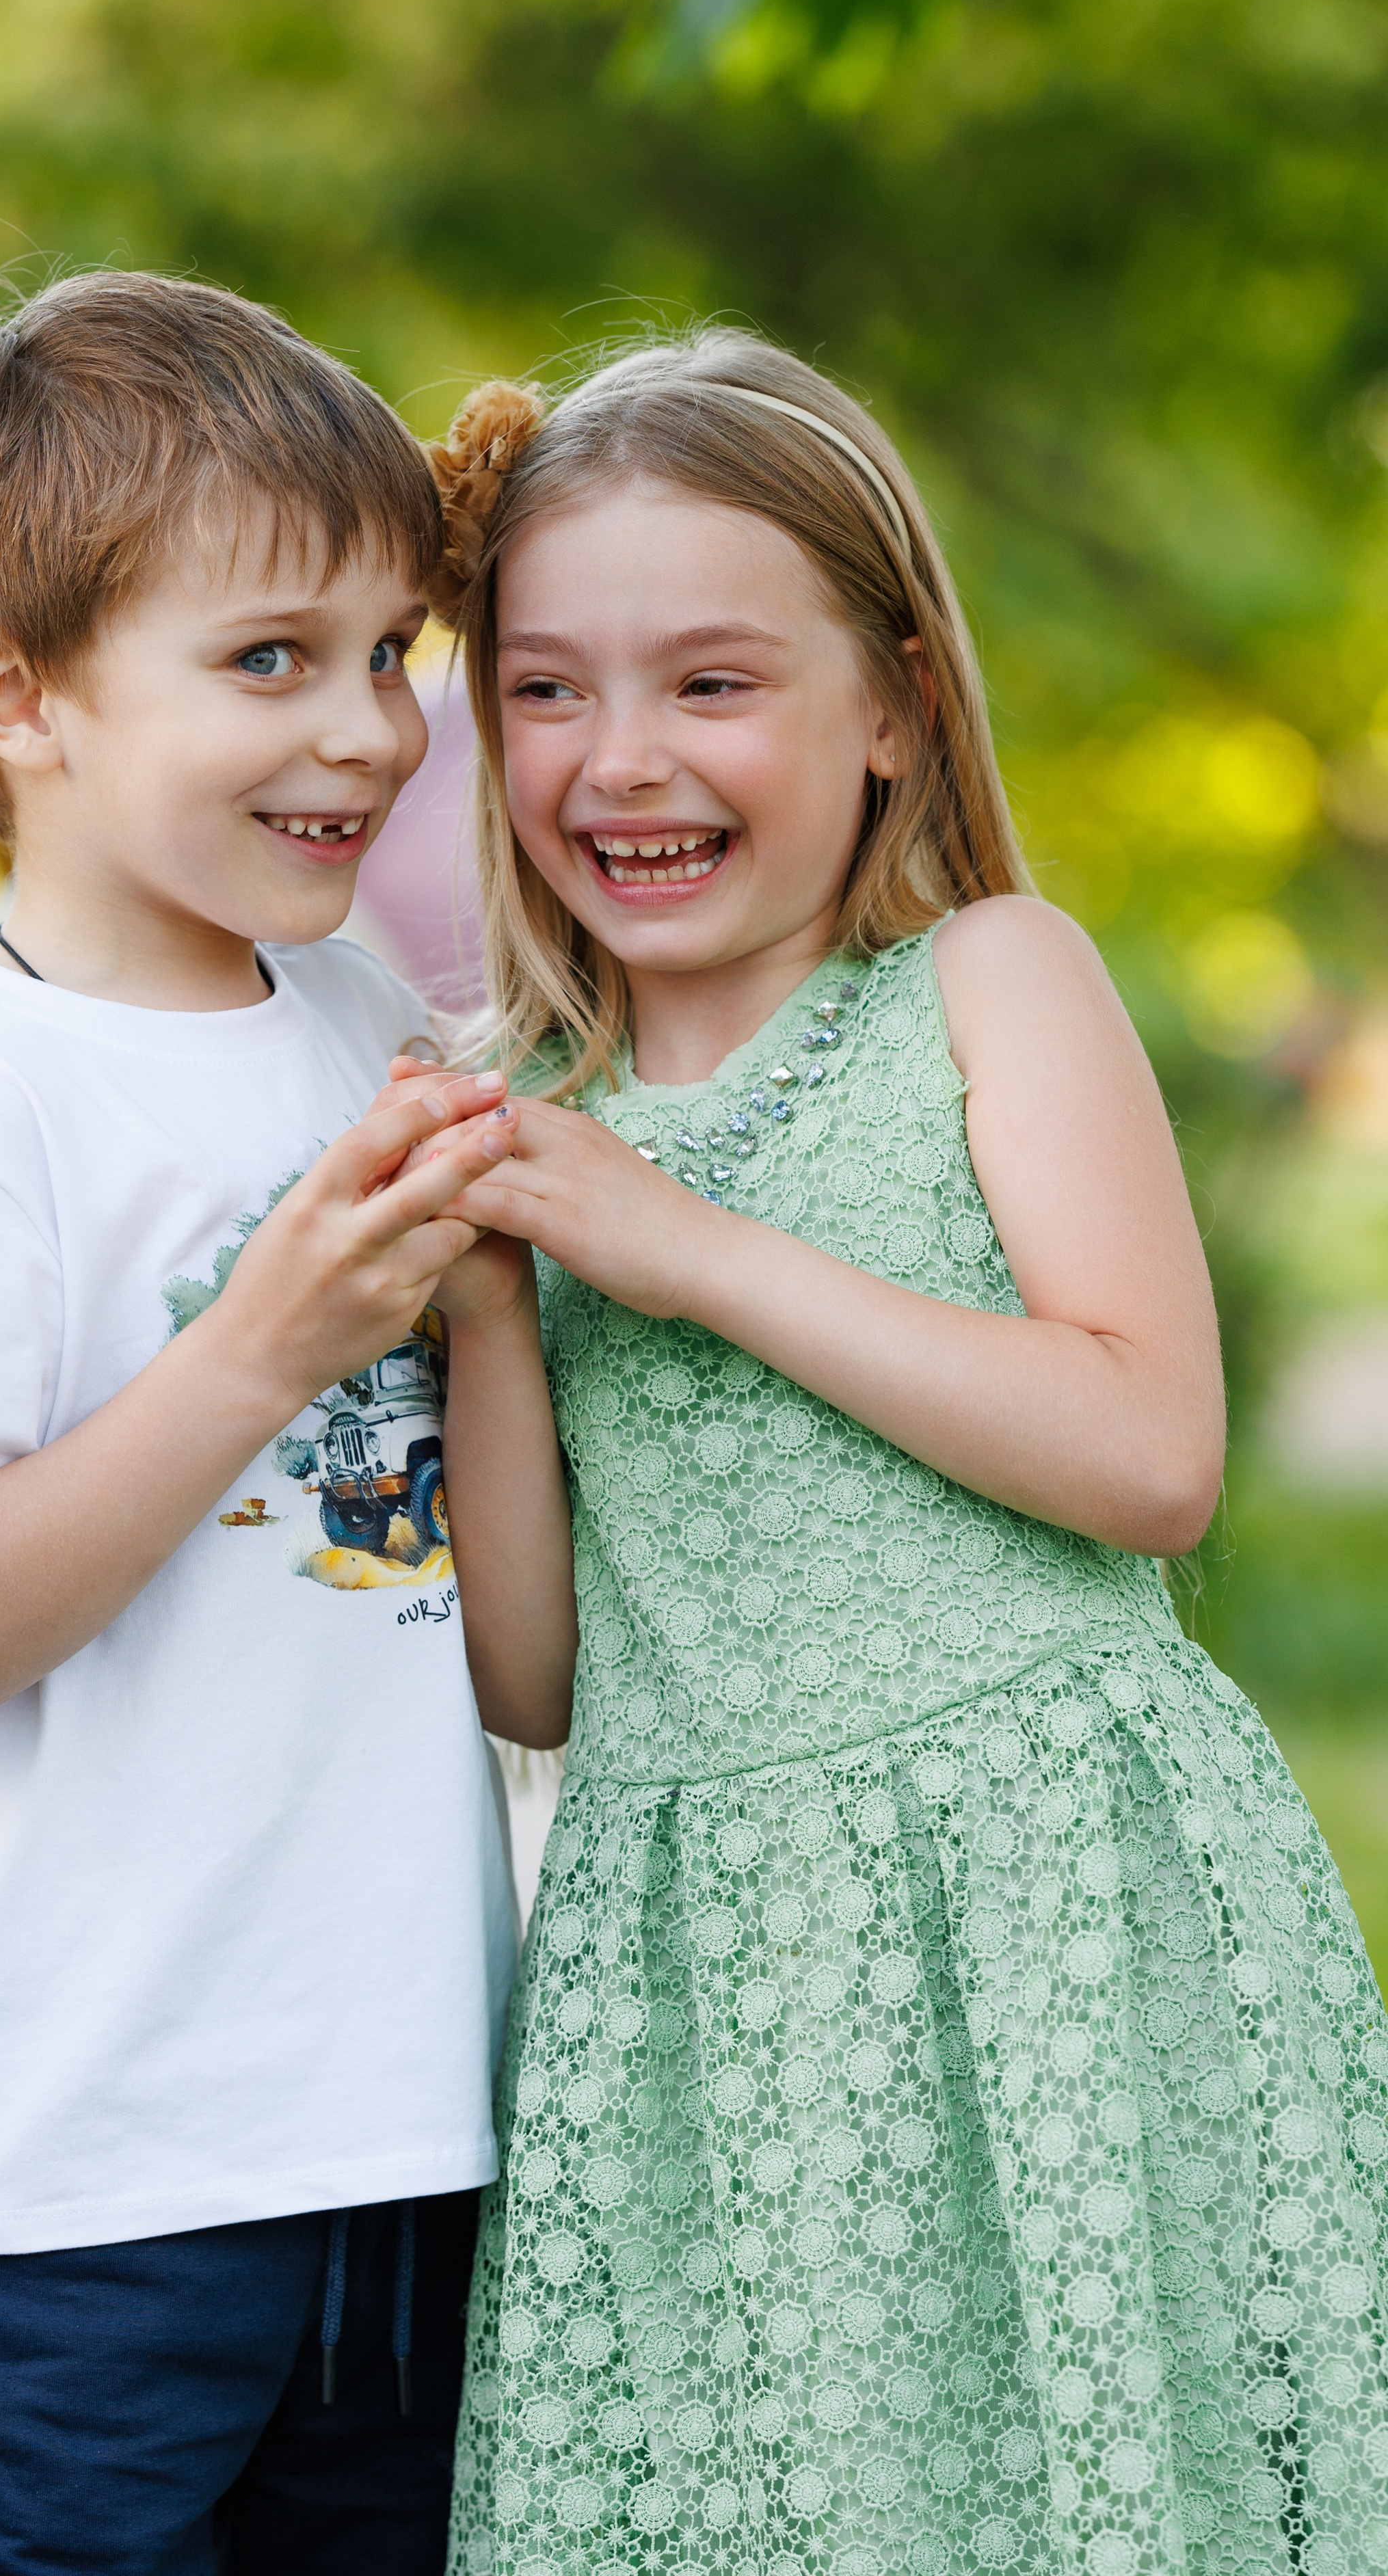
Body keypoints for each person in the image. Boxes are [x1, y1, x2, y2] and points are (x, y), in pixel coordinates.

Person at [412, 335, 1388, 2575]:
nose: (621, 758)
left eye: (714, 685)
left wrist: (693, 1253)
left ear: (895, 706)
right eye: (546, 691)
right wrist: (489, 1298)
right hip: (708, 1983)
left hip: (1060, 1911)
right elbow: (542, 1683)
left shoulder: (985, 983)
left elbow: (1152, 1450)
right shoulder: (527, 1117)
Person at [0, 271, 522, 2576]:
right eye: (272, 659)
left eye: (393, 651)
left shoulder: (359, 1012)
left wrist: (486, 1311)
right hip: (81, 2181)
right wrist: (257, 1351)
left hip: (404, 2133)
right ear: (18, 696)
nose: (373, 731)